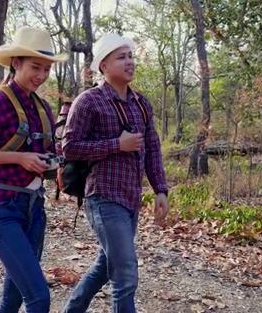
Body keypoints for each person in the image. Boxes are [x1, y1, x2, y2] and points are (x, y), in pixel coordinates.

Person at [0, 26, 68, 313]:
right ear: (15, 63)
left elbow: (44, 152)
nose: (41, 76)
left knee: (14, 297)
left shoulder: (43, 106)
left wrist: (51, 163)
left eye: (46, 69)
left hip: (34, 207)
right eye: (35, 67)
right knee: (39, 297)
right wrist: (20, 159)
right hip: (1, 206)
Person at [61, 33, 170, 313]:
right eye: (121, 57)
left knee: (104, 266)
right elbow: (70, 148)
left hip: (130, 198)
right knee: (125, 273)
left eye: (130, 56)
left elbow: (153, 148)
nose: (129, 62)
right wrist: (116, 145)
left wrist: (160, 189)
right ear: (104, 66)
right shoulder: (88, 102)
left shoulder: (141, 104)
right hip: (103, 197)